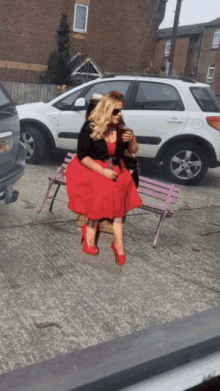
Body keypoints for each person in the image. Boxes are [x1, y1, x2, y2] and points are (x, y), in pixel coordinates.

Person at [65, 91, 142, 266]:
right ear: (106, 110)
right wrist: (103, 171)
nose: (119, 115)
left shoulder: (122, 129)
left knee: (122, 184)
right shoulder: (90, 127)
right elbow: (83, 156)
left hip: (112, 166)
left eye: (120, 111)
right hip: (89, 166)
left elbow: (132, 152)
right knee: (103, 186)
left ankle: (118, 242)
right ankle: (91, 230)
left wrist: (133, 140)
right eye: (115, 111)